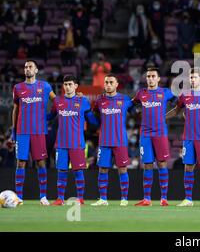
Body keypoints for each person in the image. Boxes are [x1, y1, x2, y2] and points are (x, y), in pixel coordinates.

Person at [166, 68, 200, 206]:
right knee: (188, 167)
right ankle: (188, 199)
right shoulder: (184, 95)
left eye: (195, 77)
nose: (192, 80)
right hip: (188, 137)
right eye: (191, 77)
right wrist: (163, 117)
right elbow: (177, 110)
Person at [8, 60, 57, 205]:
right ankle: (19, 198)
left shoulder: (45, 86)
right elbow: (15, 110)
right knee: (21, 163)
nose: (27, 69)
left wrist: (51, 115)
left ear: (36, 70)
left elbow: (57, 102)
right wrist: (13, 130)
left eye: (30, 67)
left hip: (39, 131)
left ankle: (43, 197)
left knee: (41, 163)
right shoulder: (18, 88)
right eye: (25, 67)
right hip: (22, 131)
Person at [46, 75, 98, 205]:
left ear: (75, 86)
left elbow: (92, 121)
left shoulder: (83, 101)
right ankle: (60, 199)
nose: (67, 87)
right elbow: (50, 116)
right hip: (61, 144)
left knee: (78, 171)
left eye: (70, 84)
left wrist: (100, 119)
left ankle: (80, 198)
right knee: (62, 171)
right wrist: (35, 114)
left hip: (77, 143)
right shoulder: (57, 101)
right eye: (65, 84)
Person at [132, 67, 177, 207]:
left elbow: (179, 103)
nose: (150, 78)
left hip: (160, 133)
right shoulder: (141, 93)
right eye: (148, 76)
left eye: (153, 76)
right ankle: (147, 199)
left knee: (162, 163)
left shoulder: (165, 92)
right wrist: (137, 113)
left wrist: (168, 115)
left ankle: (164, 198)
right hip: (145, 133)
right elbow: (131, 105)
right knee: (147, 165)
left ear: (158, 79)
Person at [91, 74, 134, 206]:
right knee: (102, 169)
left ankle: (124, 199)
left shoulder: (125, 99)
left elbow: (135, 113)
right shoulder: (99, 101)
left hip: (120, 140)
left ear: (116, 84)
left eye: (111, 82)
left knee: (122, 169)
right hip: (104, 141)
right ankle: (103, 199)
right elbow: (94, 116)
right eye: (106, 82)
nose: (108, 84)